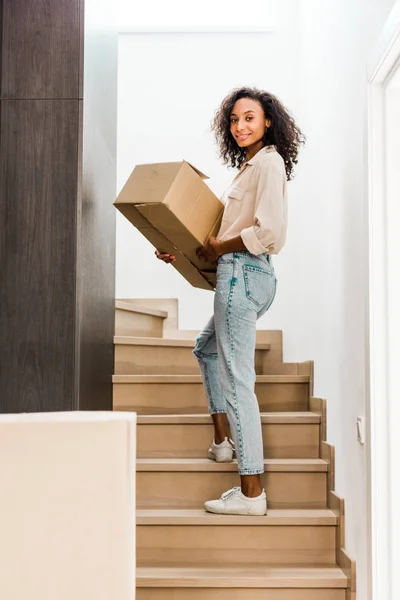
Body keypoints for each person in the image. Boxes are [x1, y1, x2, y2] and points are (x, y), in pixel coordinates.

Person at [156, 86, 304, 516]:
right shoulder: (247, 169)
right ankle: (223, 442)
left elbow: (270, 233)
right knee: (205, 349)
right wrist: (179, 254)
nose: (240, 126)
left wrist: (220, 249)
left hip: (245, 273)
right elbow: (214, 246)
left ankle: (252, 492)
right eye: (235, 120)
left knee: (238, 380)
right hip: (238, 273)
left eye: (249, 118)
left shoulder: (270, 162)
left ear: (268, 121)